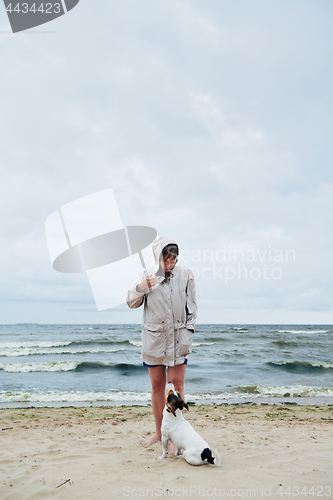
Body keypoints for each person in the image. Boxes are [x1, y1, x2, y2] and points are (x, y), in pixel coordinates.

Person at [127, 236, 197, 448]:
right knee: (157, 386)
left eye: (172, 261)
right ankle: (158, 434)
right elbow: (132, 303)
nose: (168, 265)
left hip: (178, 338)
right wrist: (142, 287)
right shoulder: (147, 274)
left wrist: (188, 332)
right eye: (165, 261)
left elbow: (192, 308)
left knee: (177, 386)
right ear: (157, 258)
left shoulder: (186, 274)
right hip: (155, 338)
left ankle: (177, 436)